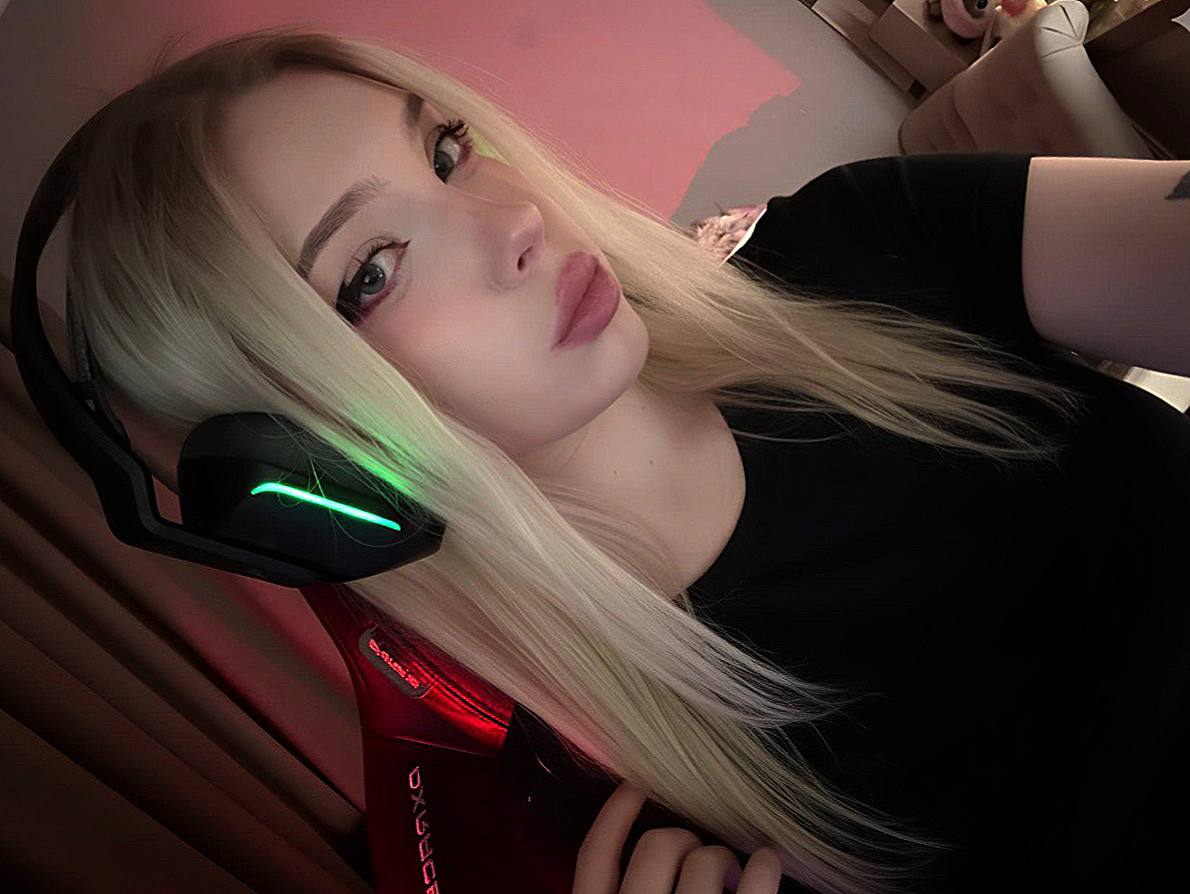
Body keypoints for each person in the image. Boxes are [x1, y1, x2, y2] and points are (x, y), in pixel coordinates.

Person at [64, 25, 1188, 894]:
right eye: (373, 271)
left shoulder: (856, 242)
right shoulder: (602, 817)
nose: (512, 217)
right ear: (307, 472)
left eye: (447, 151)